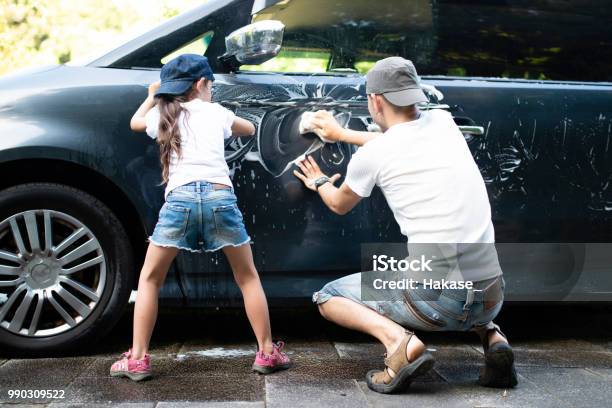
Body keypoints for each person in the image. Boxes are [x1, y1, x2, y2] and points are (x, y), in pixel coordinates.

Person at [293, 57, 517, 394]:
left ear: (375, 101)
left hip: (439, 300)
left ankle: (400, 345)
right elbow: (403, 142)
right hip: (492, 294)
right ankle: (493, 338)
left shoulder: (373, 156)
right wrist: (343, 134)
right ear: (416, 95)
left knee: (329, 297)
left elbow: (339, 204)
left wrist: (321, 180)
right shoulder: (444, 123)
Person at [110, 54, 290, 381]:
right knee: (247, 276)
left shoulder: (164, 116)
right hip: (221, 198)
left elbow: (135, 123)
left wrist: (152, 96)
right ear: (201, 84)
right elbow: (248, 128)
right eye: (211, 85)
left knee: (150, 279)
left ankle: (137, 359)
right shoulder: (217, 112)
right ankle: (266, 352)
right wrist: (219, 109)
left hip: (179, 201)